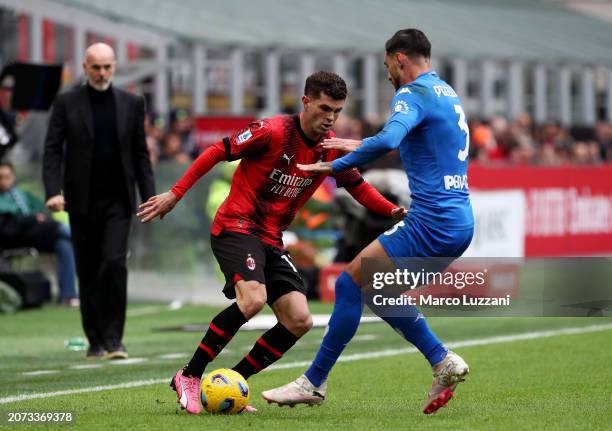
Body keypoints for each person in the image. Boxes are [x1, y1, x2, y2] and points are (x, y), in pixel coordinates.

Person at [137, 70, 406, 415]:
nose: (331, 118)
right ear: (306, 101)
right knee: (253, 300)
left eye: (337, 111)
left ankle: (232, 383)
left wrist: (393, 210)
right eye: (325, 108)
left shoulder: (329, 150)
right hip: (236, 226)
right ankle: (188, 375)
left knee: (299, 319)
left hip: (271, 238)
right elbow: (217, 151)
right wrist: (176, 193)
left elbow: (358, 186)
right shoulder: (272, 130)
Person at [261, 29, 474, 415]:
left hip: (432, 221)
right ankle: (441, 361)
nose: (388, 75)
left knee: (348, 282)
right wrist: (355, 145)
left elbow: (392, 138)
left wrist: (332, 166)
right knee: (377, 293)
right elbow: (415, 140)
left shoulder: (411, 93)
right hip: (459, 221)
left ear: (399, 59)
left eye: (387, 66)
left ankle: (313, 382)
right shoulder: (444, 92)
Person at [43, 43, 155, 359]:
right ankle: (94, 340)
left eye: (107, 66)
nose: (102, 72)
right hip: (80, 201)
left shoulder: (132, 102)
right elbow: (52, 149)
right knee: (88, 269)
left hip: (119, 200)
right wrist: (52, 190)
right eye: (96, 67)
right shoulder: (66, 102)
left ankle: (114, 339)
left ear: (115, 66)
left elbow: (140, 154)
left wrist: (150, 198)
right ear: (85, 67)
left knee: (115, 263)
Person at [0, 162, 78, 306]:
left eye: (7, 176)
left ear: (13, 177)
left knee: (64, 245)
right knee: (61, 229)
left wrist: (38, 217)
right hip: (16, 237)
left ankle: (68, 296)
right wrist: (31, 219)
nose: (4, 181)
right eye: (1, 177)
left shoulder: (22, 195)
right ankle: (89, 241)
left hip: (37, 234)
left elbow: (42, 210)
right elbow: (7, 228)